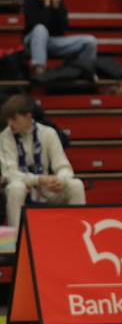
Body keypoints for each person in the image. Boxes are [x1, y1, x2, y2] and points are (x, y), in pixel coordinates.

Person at [0, 94, 84, 228]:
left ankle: (78, 232)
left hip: (47, 189)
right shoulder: (5, 137)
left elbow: (64, 167)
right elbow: (10, 174)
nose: (10, 123)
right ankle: (17, 238)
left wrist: (59, 181)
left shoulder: (48, 133)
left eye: (14, 119)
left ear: (28, 117)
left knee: (76, 184)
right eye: (8, 119)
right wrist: (39, 180)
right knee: (16, 187)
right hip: (23, 189)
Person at [24, 0, 97, 81]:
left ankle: (85, 72)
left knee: (89, 41)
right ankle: (40, 70)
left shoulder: (58, 2)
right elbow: (35, 23)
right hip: (33, 41)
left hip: (54, 41)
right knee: (40, 29)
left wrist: (56, 8)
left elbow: (63, 27)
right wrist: (46, 5)